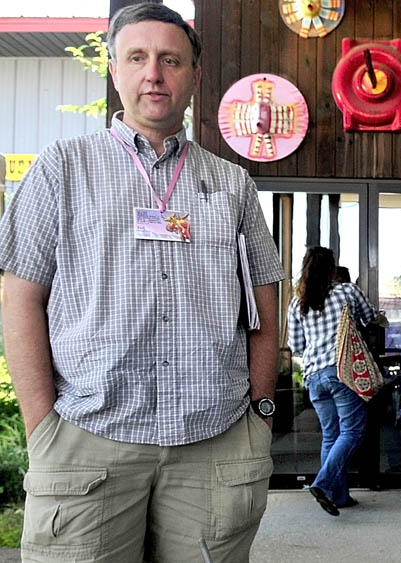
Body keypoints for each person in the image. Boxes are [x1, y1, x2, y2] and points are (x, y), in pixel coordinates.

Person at [0, 4, 283, 561]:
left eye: (170, 59)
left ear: (194, 77)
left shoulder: (232, 184)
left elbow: (265, 311)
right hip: (87, 439)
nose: (154, 73)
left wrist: (261, 416)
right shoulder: (62, 167)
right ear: (114, 69)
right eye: (137, 57)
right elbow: (20, 298)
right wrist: (43, 429)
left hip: (215, 441)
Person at [287, 247, 379, 516]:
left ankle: (339, 496)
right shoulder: (346, 292)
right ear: (332, 269)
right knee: (352, 432)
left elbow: (296, 346)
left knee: (331, 434)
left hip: (314, 376)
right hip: (342, 373)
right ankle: (323, 484)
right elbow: (370, 316)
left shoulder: (297, 302)